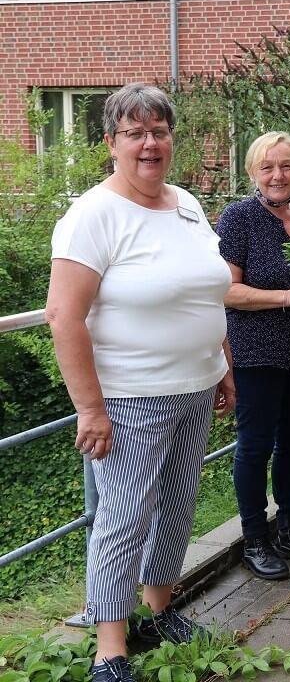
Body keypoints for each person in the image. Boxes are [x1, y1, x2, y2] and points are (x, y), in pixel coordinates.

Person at [45, 84, 234, 682]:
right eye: (135, 133)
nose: (150, 143)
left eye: (159, 130)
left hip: (195, 385)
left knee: (177, 508)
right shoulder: (93, 215)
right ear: (111, 143)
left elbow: (207, 290)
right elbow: (63, 315)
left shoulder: (185, 204)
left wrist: (222, 362)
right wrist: (90, 408)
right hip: (129, 397)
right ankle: (110, 648)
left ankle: (159, 612)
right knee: (123, 519)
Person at [216, 131, 290, 580]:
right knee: (255, 447)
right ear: (253, 174)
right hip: (255, 352)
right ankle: (254, 540)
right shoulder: (238, 219)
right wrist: (285, 297)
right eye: (268, 167)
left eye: (286, 165)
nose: (278, 175)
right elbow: (225, 290)